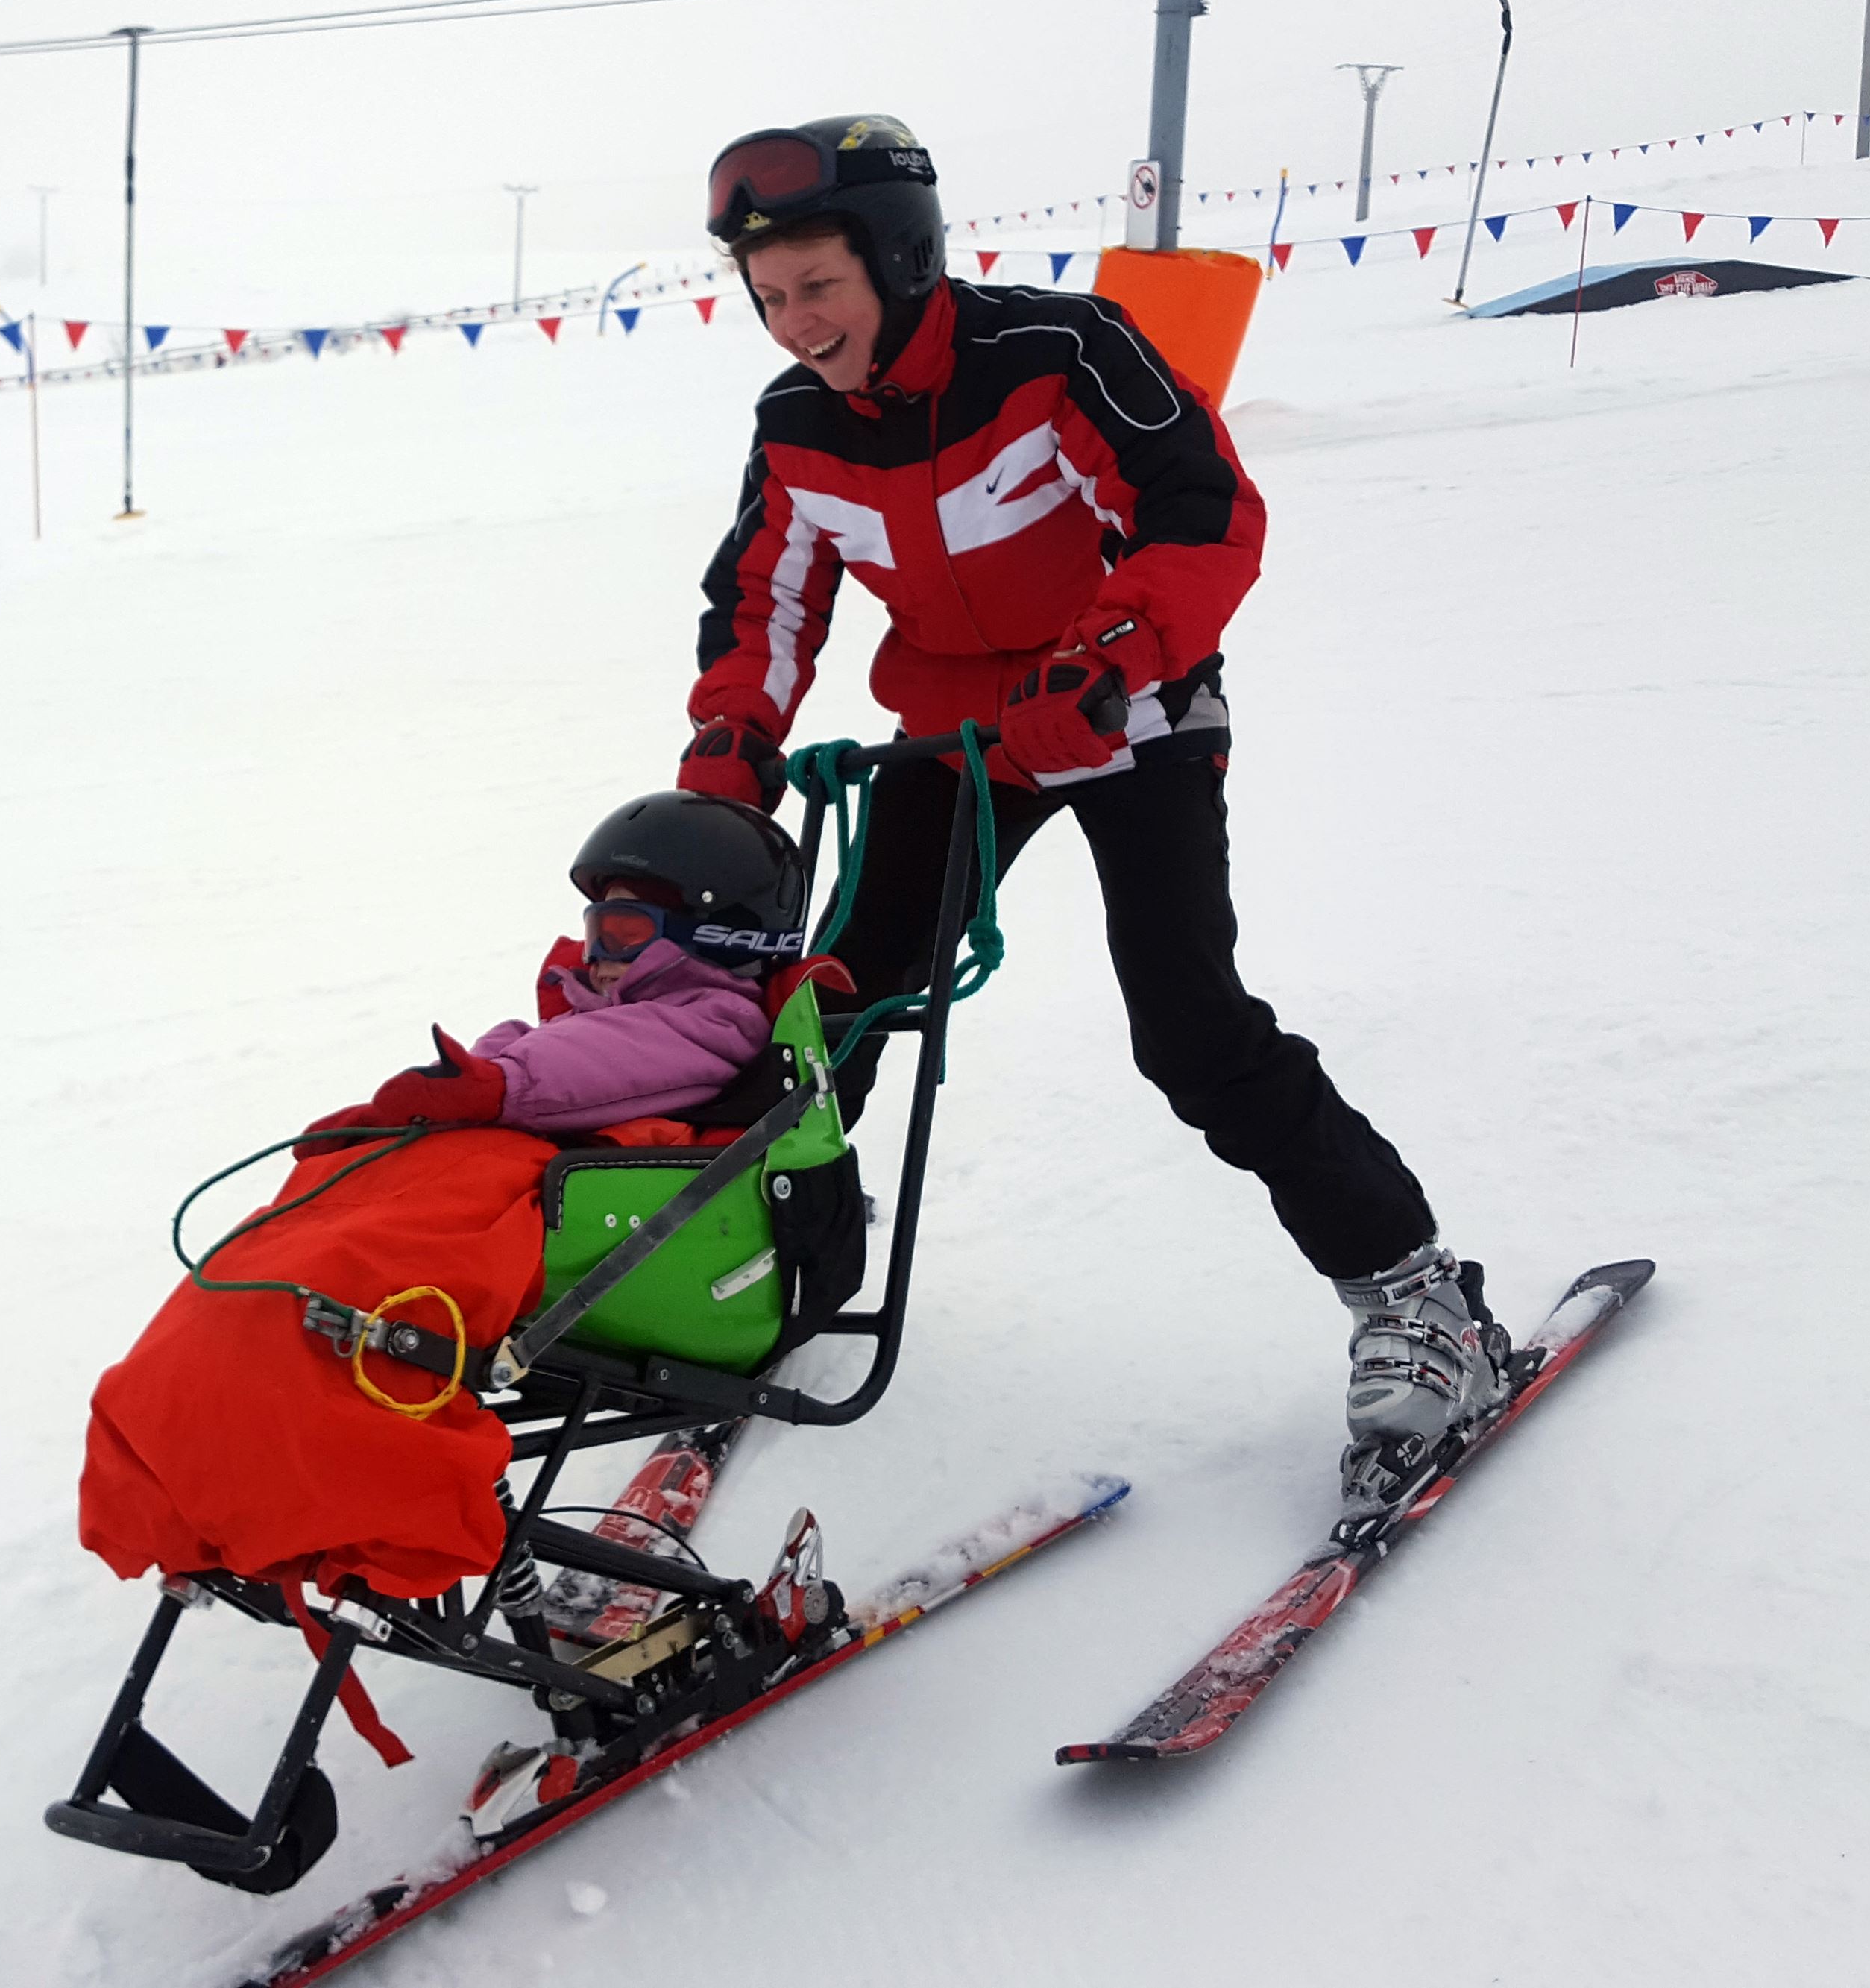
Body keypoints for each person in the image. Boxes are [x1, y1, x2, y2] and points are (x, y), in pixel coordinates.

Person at [673, 113, 1497, 1526]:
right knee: (838, 1001)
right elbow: (762, 598)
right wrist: (730, 737)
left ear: (899, 259)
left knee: (1187, 1025)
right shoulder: (797, 427)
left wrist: (1112, 656)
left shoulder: (1057, 351)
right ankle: (748, 1277)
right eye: (769, 296)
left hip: (1129, 712)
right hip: (954, 734)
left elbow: (1195, 506)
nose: (794, 322)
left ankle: (1419, 1300)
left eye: (819, 283)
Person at [320, 792, 805, 1139]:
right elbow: (536, 1045)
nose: (597, 956)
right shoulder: (597, 1019)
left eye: (623, 931)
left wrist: (499, 1084)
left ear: (712, 940)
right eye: (596, 934)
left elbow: (601, 1056)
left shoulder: (715, 1021)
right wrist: (398, 1115)